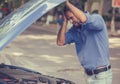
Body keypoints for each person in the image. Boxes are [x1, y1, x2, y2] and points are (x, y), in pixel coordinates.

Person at [56, 0, 112, 84]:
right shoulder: (74, 30)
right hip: (88, 75)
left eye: (71, 17)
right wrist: (64, 22)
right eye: (68, 19)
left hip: (101, 76)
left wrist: (66, 2)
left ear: (78, 11)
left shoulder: (97, 19)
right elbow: (60, 42)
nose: (71, 21)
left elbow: (84, 19)